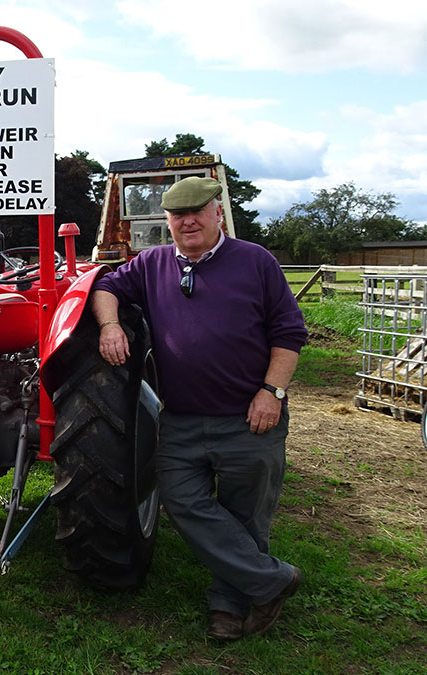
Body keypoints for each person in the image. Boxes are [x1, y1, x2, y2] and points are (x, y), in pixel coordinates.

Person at [91, 176, 307, 641]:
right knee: (181, 500)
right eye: (177, 214)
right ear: (167, 221)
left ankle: (228, 607)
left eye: (197, 211)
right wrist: (110, 326)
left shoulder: (256, 262)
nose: (187, 221)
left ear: (217, 214)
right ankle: (273, 581)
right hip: (183, 420)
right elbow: (105, 286)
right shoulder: (151, 264)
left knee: (245, 515)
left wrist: (272, 392)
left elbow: (289, 334)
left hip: (248, 417)